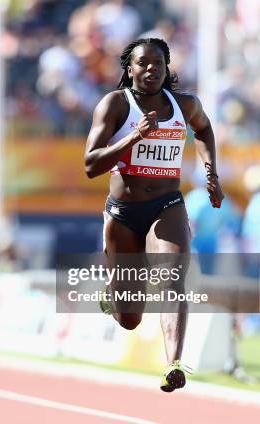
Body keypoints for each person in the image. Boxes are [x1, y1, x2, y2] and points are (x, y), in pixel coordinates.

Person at [84, 38, 224, 392]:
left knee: (173, 278)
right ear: (129, 69)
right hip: (124, 212)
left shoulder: (186, 104)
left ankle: (173, 363)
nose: (150, 70)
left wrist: (210, 172)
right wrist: (132, 138)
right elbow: (90, 165)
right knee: (129, 318)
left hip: (167, 205)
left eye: (157, 64)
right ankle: (113, 292)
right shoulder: (116, 104)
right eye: (142, 64)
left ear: (167, 67)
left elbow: (204, 129)